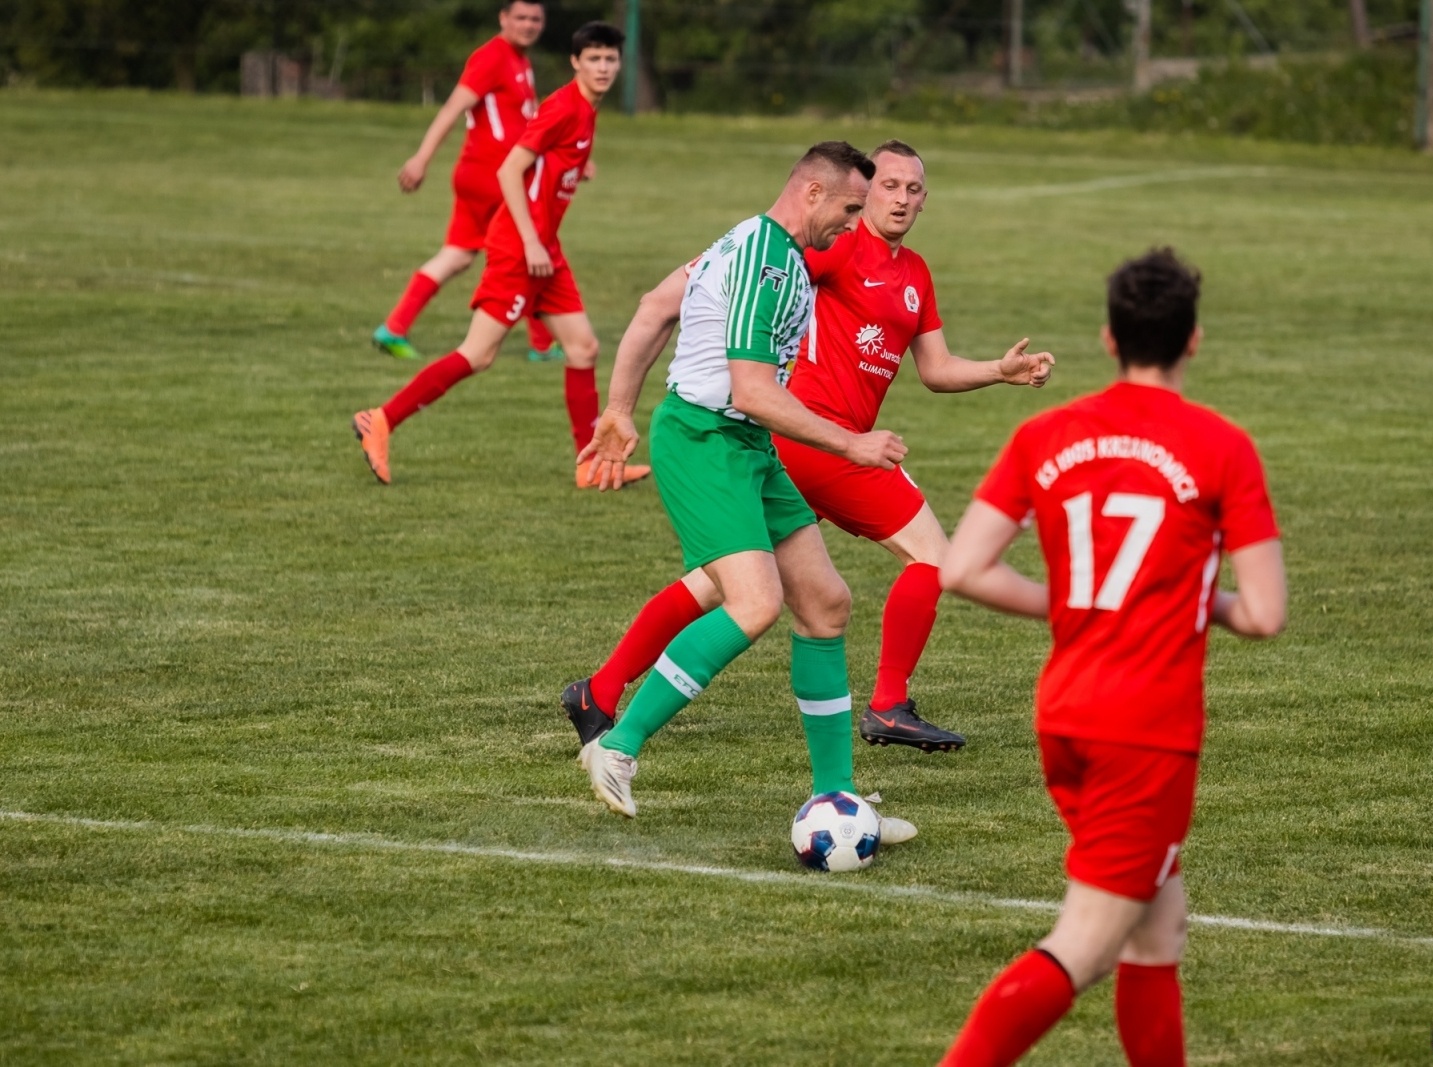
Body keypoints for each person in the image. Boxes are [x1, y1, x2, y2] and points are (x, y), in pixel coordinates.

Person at [560, 140, 1054, 756]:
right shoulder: (829, 247)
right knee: (934, 556)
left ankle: (599, 693)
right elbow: (733, 276)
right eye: (888, 186)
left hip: (795, 445)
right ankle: (888, 705)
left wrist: (998, 371)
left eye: (913, 189)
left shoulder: (915, 273)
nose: (900, 198)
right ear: (862, 191)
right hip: (815, 437)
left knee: (719, 584)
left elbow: (936, 369)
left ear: (926, 200)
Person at [937, 248, 1287, 1067]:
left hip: (1066, 712)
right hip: (1148, 731)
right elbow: (1265, 614)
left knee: (1158, 924)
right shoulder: (1222, 446)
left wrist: (1069, 603)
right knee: (1086, 945)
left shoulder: (1044, 433)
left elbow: (961, 569)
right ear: (1193, 341)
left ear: (1107, 337)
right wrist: (1202, 600)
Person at [574, 141, 914, 840]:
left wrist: (618, 409)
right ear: (812, 194)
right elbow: (755, 392)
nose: (855, 224)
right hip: (707, 441)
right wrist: (851, 443)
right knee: (755, 602)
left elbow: (652, 308)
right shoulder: (767, 263)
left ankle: (838, 801)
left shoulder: (745, 242)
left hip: (743, 445)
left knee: (825, 602)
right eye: (852, 208)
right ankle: (617, 743)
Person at [353, 22, 650, 490]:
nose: (603, 67)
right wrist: (531, 241)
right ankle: (381, 419)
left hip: (545, 248)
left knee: (582, 347)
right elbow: (510, 169)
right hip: (520, 247)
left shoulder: (586, 111)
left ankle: (589, 463)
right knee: (477, 354)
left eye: (610, 59)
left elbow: (548, 163)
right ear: (576, 62)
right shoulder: (563, 106)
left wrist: (572, 171)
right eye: (593, 58)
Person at [371, 0, 565, 363]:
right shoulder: (492, 56)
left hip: (483, 175)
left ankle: (393, 328)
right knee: (530, 247)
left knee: (458, 255)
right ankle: (541, 345)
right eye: (520, 17)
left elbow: (527, 118)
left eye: (535, 19)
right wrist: (421, 158)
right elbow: (452, 108)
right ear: (503, 18)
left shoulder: (520, 60)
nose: (528, 25)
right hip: (493, 177)